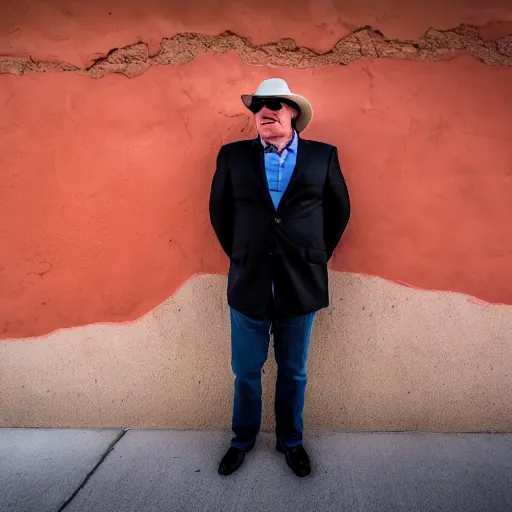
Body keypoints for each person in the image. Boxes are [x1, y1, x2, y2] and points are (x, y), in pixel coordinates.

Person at [209, 78, 350, 477]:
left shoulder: (323, 157)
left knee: (294, 371)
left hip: (300, 283)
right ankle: (242, 440)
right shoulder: (232, 157)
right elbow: (220, 212)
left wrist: (316, 255)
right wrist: (240, 256)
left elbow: (339, 210)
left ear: (292, 112)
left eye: (272, 104)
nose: (262, 112)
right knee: (246, 371)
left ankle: (291, 442)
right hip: (249, 282)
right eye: (256, 107)